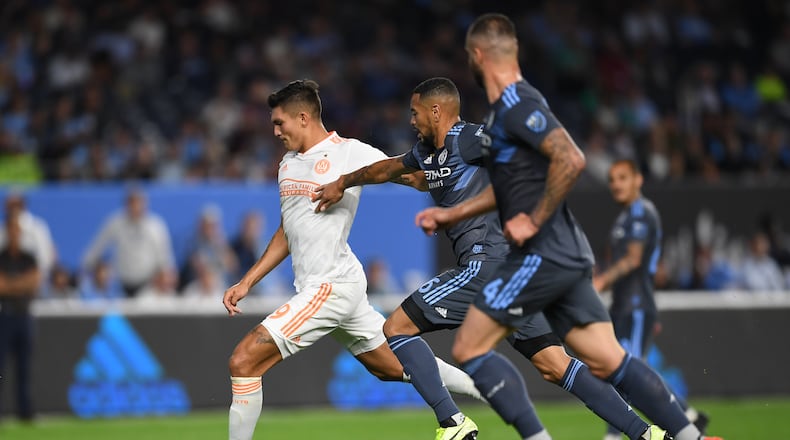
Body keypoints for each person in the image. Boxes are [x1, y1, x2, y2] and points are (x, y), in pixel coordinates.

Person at [414, 14, 722, 440]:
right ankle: (687, 437)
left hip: (544, 254)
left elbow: (571, 158)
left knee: (469, 347)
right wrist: (453, 214)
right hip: (565, 251)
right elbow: (513, 183)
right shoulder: (505, 112)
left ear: (478, 55)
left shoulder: (515, 105)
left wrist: (534, 218)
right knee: (606, 360)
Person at [314, 77, 670, 440]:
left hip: (485, 267)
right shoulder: (425, 153)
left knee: (396, 328)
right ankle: (646, 434)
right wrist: (344, 181)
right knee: (554, 364)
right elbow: (387, 170)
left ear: (436, 111)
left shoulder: (469, 138)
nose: (411, 120)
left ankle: (453, 423)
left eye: (415, 112)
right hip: (511, 276)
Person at [221, 79, 481, 440]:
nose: (275, 131)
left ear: (303, 117)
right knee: (391, 367)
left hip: (331, 286)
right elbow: (287, 230)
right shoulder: (287, 165)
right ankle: (489, 389)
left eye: (280, 123)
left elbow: (417, 178)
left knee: (243, 360)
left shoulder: (350, 152)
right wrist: (248, 281)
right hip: (335, 286)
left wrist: (452, 182)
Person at [593, 159, 710, 439]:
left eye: (623, 177)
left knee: (623, 370)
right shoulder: (625, 217)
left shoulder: (641, 213)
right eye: (612, 179)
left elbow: (633, 260)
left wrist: (601, 281)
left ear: (638, 179)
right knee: (629, 369)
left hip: (636, 305)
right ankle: (687, 415)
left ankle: (614, 435)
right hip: (625, 305)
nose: (616, 185)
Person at [82, 188, 177, 297]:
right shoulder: (115, 223)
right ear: (126, 205)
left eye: (139, 203)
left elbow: (165, 255)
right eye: (132, 203)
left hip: (148, 284)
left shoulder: (155, 226)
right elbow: (97, 246)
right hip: (121, 284)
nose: (135, 208)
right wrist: (86, 267)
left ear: (145, 204)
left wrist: (167, 276)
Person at [0, 213, 41, 421]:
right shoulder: (2, 257)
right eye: (12, 229)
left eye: (17, 230)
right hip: (5, 316)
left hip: (24, 316)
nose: (15, 234)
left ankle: (25, 411)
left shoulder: (28, 258)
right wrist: (21, 284)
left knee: (24, 367)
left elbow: (34, 282)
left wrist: (11, 284)